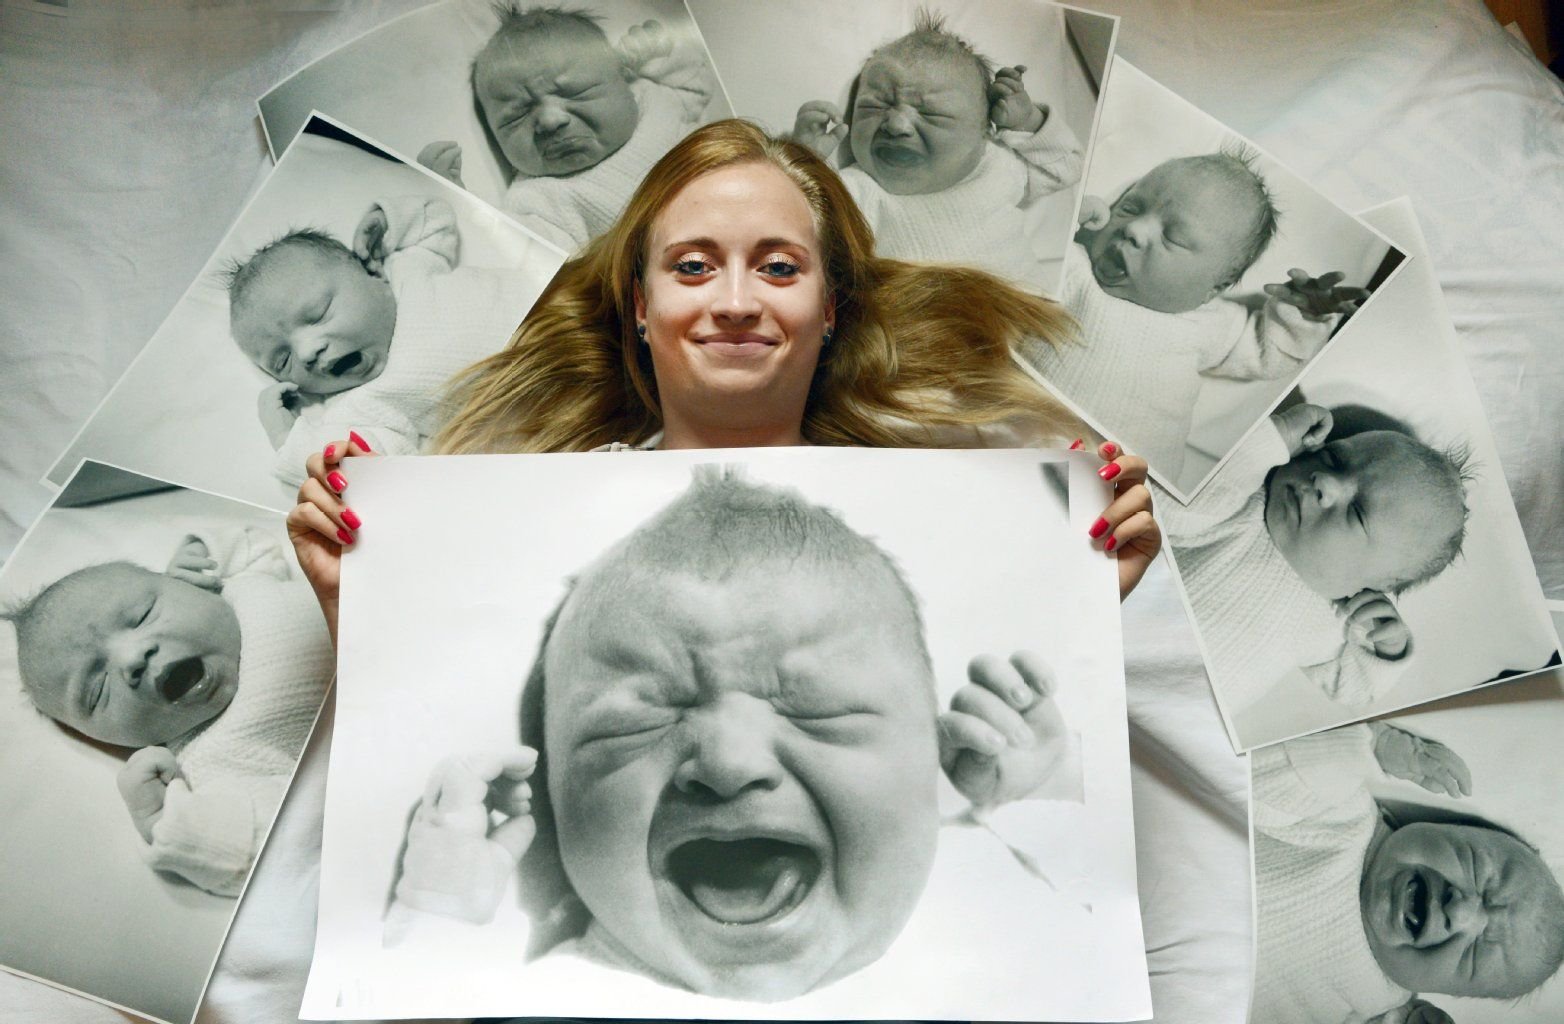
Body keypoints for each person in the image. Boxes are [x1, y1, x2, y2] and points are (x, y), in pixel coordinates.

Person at [287, 119, 1158, 647]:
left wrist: (1079, 604)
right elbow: (456, 719)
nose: (735, 301)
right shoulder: (537, 515)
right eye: (694, 267)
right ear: (639, 304)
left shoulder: (941, 516)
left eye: (778, 268)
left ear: (830, 309)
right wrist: (350, 605)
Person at [381, 468, 1084, 1000]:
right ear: (550, 793)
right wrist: (439, 910)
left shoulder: (998, 889)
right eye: (634, 720)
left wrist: (1039, 795)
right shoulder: (558, 991)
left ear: (930, 756)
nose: (727, 762)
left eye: (822, 708)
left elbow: (1124, 924)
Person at [3, 527, 333, 896]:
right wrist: (167, 823)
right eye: (96, 691)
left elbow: (253, 542)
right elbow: (273, 848)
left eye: (144, 614)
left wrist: (201, 554)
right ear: (97, 738)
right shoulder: (210, 758)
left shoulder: (238, 587)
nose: (132, 658)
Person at [1025, 151, 1368, 484]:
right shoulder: (1074, 266)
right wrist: (1073, 217)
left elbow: (1271, 354)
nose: (1135, 230)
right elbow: (1019, 235)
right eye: (1129, 208)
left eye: (1173, 237)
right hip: (1019, 433)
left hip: (1120, 490)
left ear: (1212, 288)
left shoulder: (1211, 322)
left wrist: (1301, 316)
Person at [1164, 401, 1469, 716]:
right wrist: (1267, 444)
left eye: (1358, 513)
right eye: (1334, 459)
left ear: (1378, 583)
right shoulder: (1243, 500)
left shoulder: (1342, 620)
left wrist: (1388, 649)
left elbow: (1356, 690)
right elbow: (1166, 512)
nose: (1325, 481)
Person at [1251, 720, 1564, 1023]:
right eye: (1477, 868)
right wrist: (1374, 748)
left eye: (1473, 957)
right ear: (1443, 826)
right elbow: (1255, 780)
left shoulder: (1379, 1005)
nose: (1459, 911)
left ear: (1446, 992)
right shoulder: (1345, 818)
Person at [227, 196, 545, 486]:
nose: (307, 351)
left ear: (371, 271)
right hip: (552, 407)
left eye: (318, 313)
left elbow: (431, 219)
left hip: (565, 307)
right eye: (282, 361)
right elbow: (365, 468)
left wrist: (385, 221)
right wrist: (286, 437)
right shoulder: (365, 404)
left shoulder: (405, 270)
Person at [790, 9, 1082, 292]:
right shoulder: (856, 190)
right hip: (924, 331)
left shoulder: (997, 167)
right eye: (873, 106)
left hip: (1023, 311)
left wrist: (1028, 120)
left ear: (985, 131)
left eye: (931, 113)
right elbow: (795, 225)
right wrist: (805, 159)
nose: (896, 124)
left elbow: (1065, 165)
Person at [418, 7, 716, 253]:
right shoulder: (539, 199)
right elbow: (521, 251)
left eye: (576, 92)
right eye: (516, 115)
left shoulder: (653, 100)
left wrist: (658, 53)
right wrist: (458, 201)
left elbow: (697, 84)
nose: (550, 120)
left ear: (623, 79)